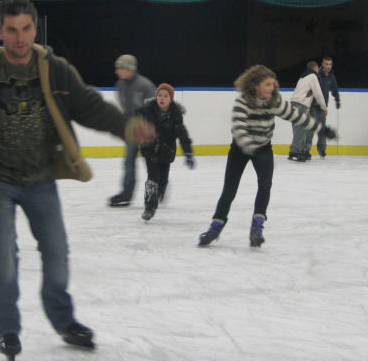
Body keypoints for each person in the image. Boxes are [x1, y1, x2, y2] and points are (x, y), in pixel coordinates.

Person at [0, 0, 154, 358]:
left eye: (26, 28)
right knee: (4, 252)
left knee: (57, 251)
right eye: (12, 30)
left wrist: (126, 126)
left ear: (34, 29)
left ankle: (64, 320)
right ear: (0, 32)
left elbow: (89, 106)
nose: (20, 38)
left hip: (40, 176)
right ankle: (8, 328)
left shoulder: (54, 69)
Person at [198, 65, 336, 248]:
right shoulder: (243, 102)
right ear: (256, 86)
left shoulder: (274, 102)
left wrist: (321, 129)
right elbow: (239, 129)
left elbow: (297, 116)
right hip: (240, 149)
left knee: (265, 186)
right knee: (229, 189)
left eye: (273, 84)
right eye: (267, 84)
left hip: (263, 148)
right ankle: (216, 226)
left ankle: (257, 226)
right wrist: (250, 147)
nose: (272, 88)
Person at [137, 83, 194, 221]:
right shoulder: (148, 110)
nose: (162, 98)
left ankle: (160, 190)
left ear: (171, 99)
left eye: (165, 96)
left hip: (166, 151)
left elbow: (182, 134)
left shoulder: (176, 115)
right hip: (150, 149)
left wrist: (188, 152)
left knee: (162, 180)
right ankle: (149, 207)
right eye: (159, 95)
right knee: (153, 178)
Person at [109, 54, 156, 206]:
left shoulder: (145, 85)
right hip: (132, 130)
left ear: (130, 69)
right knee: (129, 161)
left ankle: (157, 189)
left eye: (120, 68)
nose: (117, 71)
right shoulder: (120, 85)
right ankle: (126, 194)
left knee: (151, 164)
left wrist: (149, 128)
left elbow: (154, 109)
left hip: (148, 129)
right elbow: (125, 109)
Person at [288, 60, 327, 162]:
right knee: (300, 129)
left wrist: (307, 109)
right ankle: (296, 152)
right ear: (316, 68)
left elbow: (304, 94)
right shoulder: (313, 77)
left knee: (298, 129)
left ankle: (294, 151)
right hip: (300, 105)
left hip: (294, 103)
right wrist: (324, 107)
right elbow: (318, 94)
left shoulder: (302, 77)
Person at [307, 56, 341, 158]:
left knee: (322, 128)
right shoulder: (317, 75)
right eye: (326, 64)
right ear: (322, 64)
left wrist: (337, 100)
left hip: (322, 107)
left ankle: (322, 149)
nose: (328, 66)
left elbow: (334, 89)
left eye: (330, 64)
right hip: (313, 106)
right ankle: (306, 149)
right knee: (311, 128)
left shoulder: (331, 77)